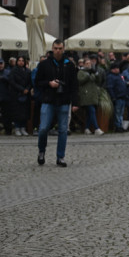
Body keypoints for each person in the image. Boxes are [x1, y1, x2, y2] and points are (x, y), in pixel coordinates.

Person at [35, 39, 79, 167]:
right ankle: (41, 151)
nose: (58, 51)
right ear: (52, 48)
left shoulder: (69, 65)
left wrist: (75, 102)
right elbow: (37, 82)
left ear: (63, 49)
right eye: (56, 48)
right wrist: (49, 83)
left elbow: (74, 85)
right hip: (48, 100)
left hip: (64, 100)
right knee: (43, 128)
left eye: (60, 48)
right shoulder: (44, 64)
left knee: (63, 130)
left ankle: (60, 157)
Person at [76, 55, 105, 135]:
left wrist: (95, 73)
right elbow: (80, 81)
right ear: (84, 64)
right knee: (92, 111)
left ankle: (87, 128)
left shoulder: (91, 71)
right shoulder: (81, 72)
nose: (89, 65)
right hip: (86, 95)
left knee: (90, 113)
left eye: (90, 63)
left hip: (93, 95)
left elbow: (98, 80)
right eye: (87, 63)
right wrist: (89, 75)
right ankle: (96, 128)